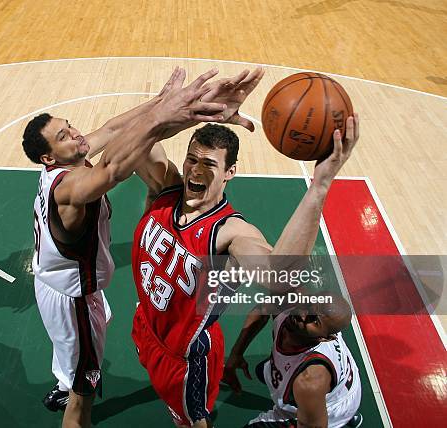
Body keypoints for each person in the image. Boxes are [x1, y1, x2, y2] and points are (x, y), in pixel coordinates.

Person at [131, 66, 360, 427]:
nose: (195, 171)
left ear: (229, 173)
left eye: (209, 164)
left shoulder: (231, 232)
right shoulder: (166, 188)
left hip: (185, 356)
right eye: (192, 159)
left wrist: (320, 185)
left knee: (191, 422)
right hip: (146, 324)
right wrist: (172, 111)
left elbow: (279, 279)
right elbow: (133, 139)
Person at [21, 66, 240, 428]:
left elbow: (114, 129)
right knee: (81, 402)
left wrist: (162, 103)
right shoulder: (71, 188)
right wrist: (168, 115)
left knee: (69, 358)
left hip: (52, 284)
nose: (76, 134)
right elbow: (113, 166)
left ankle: (67, 379)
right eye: (64, 135)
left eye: (71, 125)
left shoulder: (66, 161)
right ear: (49, 156)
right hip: (74, 301)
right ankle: (75, 395)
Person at [223, 295, 363, 428]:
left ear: (325, 338)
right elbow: (263, 309)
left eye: (313, 320)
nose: (302, 314)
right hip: (342, 386)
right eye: (308, 305)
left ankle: (340, 419)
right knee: (265, 372)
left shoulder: (309, 380)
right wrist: (236, 353)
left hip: (329, 411)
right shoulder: (292, 303)